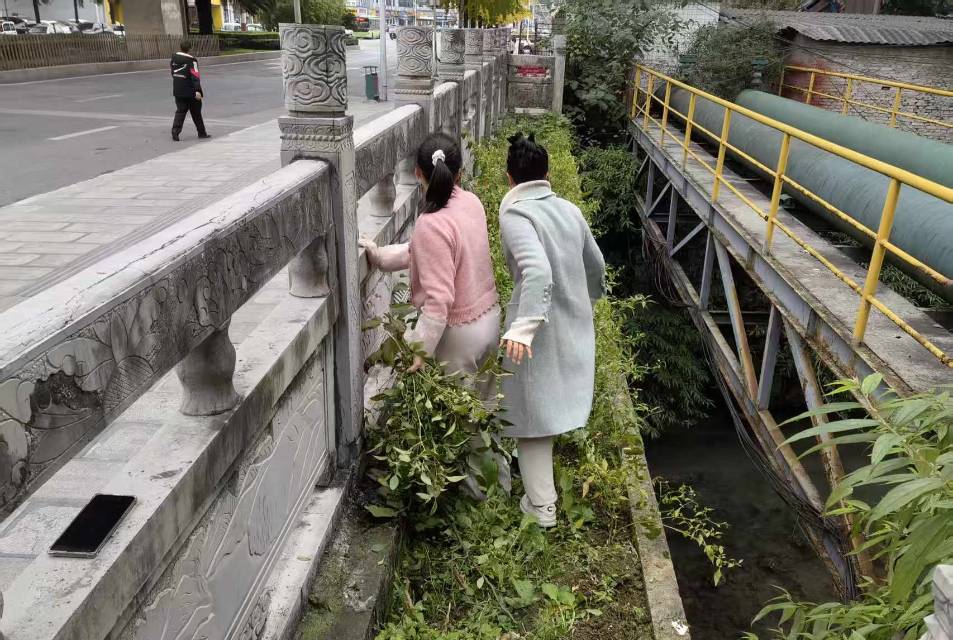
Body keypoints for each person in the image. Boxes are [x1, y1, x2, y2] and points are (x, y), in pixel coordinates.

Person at [360, 132, 511, 498]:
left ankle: (477, 503)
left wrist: (420, 350)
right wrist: (380, 256)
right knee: (485, 412)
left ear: (417, 173)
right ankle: (500, 491)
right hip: (489, 320)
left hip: (459, 336)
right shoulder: (471, 203)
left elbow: (438, 300)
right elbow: (422, 252)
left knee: (462, 425)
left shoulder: (432, 224)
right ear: (459, 174)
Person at [498, 132, 606, 528]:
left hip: (533, 333)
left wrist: (523, 328)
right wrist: (584, 301)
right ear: (547, 174)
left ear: (509, 178)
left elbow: (537, 271)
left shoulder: (516, 214)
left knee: (529, 417)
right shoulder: (569, 210)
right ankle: (534, 487)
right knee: (547, 405)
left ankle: (542, 509)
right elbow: (596, 266)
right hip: (571, 320)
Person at [170, 41, 210, 142]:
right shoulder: (192, 61)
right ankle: (202, 133)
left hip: (178, 88)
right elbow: (195, 76)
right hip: (190, 90)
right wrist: (197, 90)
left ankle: (175, 131)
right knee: (196, 112)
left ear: (181, 47)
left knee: (180, 111)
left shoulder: (173, 59)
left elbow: (173, 73)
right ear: (190, 49)